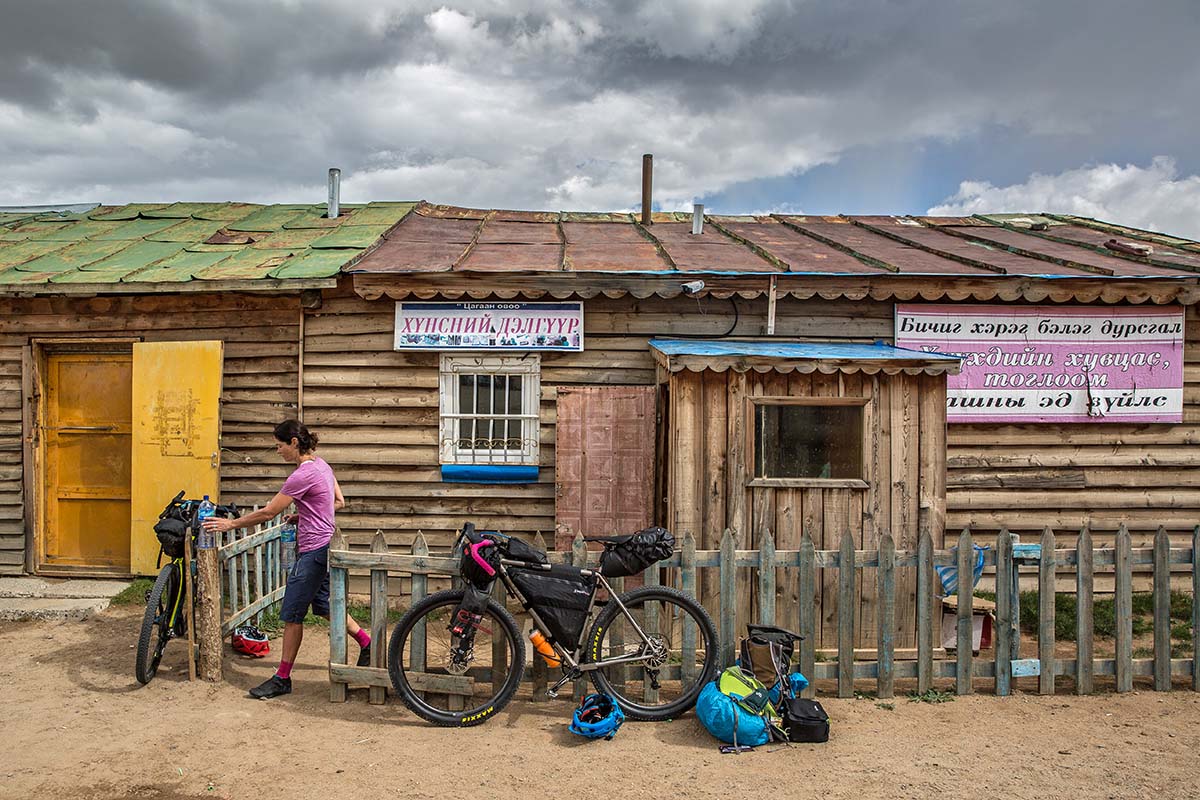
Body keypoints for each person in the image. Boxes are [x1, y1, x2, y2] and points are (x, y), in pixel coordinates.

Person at [202, 419, 371, 699]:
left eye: (279, 445)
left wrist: (230, 525)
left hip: (313, 551)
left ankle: (282, 678)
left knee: (292, 615)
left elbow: (268, 512)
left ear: (294, 443)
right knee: (327, 607)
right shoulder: (323, 466)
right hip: (325, 547)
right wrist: (305, 514)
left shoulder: (301, 475)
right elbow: (338, 501)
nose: (277, 451)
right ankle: (366, 643)